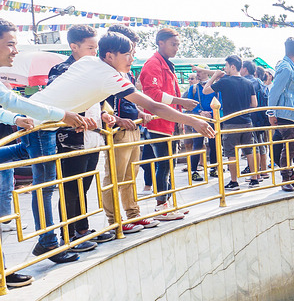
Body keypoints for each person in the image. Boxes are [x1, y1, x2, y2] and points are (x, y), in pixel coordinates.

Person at [23, 31, 214, 253]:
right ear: (110, 56)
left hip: (40, 119)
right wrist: (193, 121)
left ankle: (67, 236)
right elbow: (154, 106)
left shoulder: (89, 62)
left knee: (64, 186)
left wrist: (79, 115)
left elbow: (70, 91)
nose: (132, 59)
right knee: (48, 188)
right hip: (37, 126)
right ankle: (52, 243)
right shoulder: (107, 75)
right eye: (128, 54)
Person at [0, 20, 89, 278]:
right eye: (10, 44)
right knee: (45, 187)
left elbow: (8, 103)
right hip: (47, 128)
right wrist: (62, 114)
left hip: (41, 129)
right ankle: (46, 243)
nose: (15, 50)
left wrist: (14, 119)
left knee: (45, 182)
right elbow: (14, 101)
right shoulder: (63, 71)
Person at [46, 26, 114, 253]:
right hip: (70, 139)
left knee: (84, 186)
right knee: (70, 188)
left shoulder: (94, 70)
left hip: (93, 137)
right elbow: (56, 103)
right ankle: (68, 236)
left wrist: (103, 115)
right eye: (90, 47)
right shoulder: (61, 70)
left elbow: (97, 101)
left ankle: (82, 229)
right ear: (74, 47)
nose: (95, 52)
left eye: (96, 47)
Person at [102, 24, 160, 234]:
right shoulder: (104, 72)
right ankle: (114, 220)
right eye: (128, 50)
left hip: (133, 128)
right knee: (115, 178)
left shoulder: (125, 72)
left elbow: (129, 98)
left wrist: (139, 112)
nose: (132, 54)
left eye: (132, 49)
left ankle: (133, 214)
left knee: (130, 175)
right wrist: (116, 119)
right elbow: (100, 104)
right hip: (117, 131)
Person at [138, 28, 201, 218]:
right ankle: (161, 206)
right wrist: (181, 102)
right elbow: (153, 94)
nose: (176, 48)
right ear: (161, 43)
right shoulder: (152, 64)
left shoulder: (165, 64)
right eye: (173, 44)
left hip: (170, 122)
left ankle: (168, 204)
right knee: (164, 165)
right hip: (159, 123)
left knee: (169, 165)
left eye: (178, 45)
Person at [203, 55, 259, 190]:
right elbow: (254, 104)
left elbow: (205, 91)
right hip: (247, 121)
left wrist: (214, 76)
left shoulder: (225, 82)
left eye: (226, 66)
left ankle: (234, 181)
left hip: (230, 122)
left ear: (232, 66)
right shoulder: (248, 83)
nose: (225, 69)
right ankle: (254, 178)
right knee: (249, 150)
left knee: (231, 153)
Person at [266, 37, 294, 192]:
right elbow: (274, 92)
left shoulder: (291, 67)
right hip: (287, 115)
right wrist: (271, 113)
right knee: (290, 148)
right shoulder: (286, 68)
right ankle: (286, 178)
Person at [183, 68, 219, 181]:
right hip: (199, 119)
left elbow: (220, 102)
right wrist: (200, 112)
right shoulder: (193, 88)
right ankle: (194, 170)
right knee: (197, 145)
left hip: (213, 119)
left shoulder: (215, 87)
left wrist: (212, 113)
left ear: (206, 73)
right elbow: (190, 103)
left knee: (214, 144)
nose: (197, 74)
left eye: (199, 72)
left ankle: (214, 168)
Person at [241, 59, 269, 180]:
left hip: (251, 117)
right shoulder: (260, 82)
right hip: (261, 117)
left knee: (253, 145)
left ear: (245, 69)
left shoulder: (246, 82)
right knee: (260, 143)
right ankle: (264, 170)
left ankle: (256, 173)